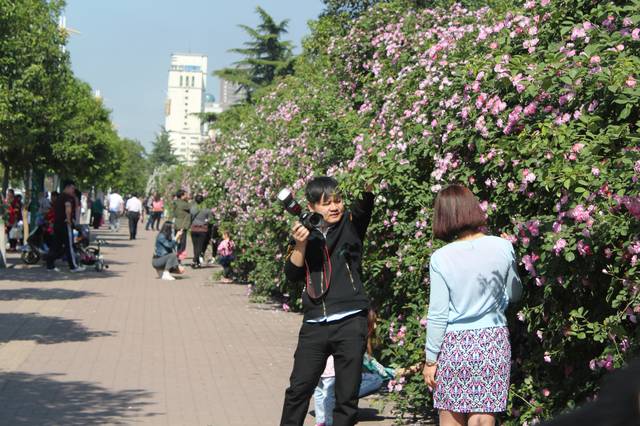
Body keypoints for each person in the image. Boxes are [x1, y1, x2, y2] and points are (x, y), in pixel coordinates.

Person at [422, 184, 522, 426]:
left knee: (451, 415)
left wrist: (430, 360)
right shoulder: (503, 246)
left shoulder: (441, 257)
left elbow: (437, 314)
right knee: (483, 417)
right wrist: (498, 303)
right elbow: (515, 293)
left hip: (455, 346)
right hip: (492, 340)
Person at [280, 176, 375, 426]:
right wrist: (300, 243)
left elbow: (366, 202)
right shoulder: (304, 232)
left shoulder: (351, 224)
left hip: (350, 319)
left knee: (347, 396)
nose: (335, 207)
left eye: (338, 200)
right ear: (310, 207)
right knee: (298, 390)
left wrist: (367, 182)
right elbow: (291, 275)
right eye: (326, 203)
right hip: (315, 324)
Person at [313, 309, 396, 426]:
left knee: (320, 392)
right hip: (332, 371)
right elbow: (378, 369)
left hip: (318, 368)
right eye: (374, 322)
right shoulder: (355, 339)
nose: (376, 325)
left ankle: (321, 420)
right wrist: (396, 373)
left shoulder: (333, 327)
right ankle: (331, 417)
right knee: (375, 380)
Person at [46, 180, 84, 272]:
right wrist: (68, 219)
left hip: (57, 224)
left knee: (55, 245)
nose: (73, 191)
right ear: (67, 187)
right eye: (72, 188)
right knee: (69, 245)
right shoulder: (68, 197)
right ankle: (73, 267)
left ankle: (50, 265)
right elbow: (68, 208)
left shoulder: (59, 197)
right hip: (65, 224)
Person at [190, 194, 211, 268]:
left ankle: (197, 262)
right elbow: (209, 220)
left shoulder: (192, 209)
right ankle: (195, 260)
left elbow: (190, 218)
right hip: (202, 229)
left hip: (194, 229)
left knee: (195, 246)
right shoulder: (207, 210)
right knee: (200, 246)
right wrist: (205, 221)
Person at [172, 190, 192, 263]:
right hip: (182, 225)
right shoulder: (183, 204)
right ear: (182, 196)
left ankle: (176, 256)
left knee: (177, 240)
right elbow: (192, 207)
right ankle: (178, 257)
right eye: (185, 194)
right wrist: (190, 199)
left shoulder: (176, 202)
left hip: (177, 224)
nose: (187, 196)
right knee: (182, 242)